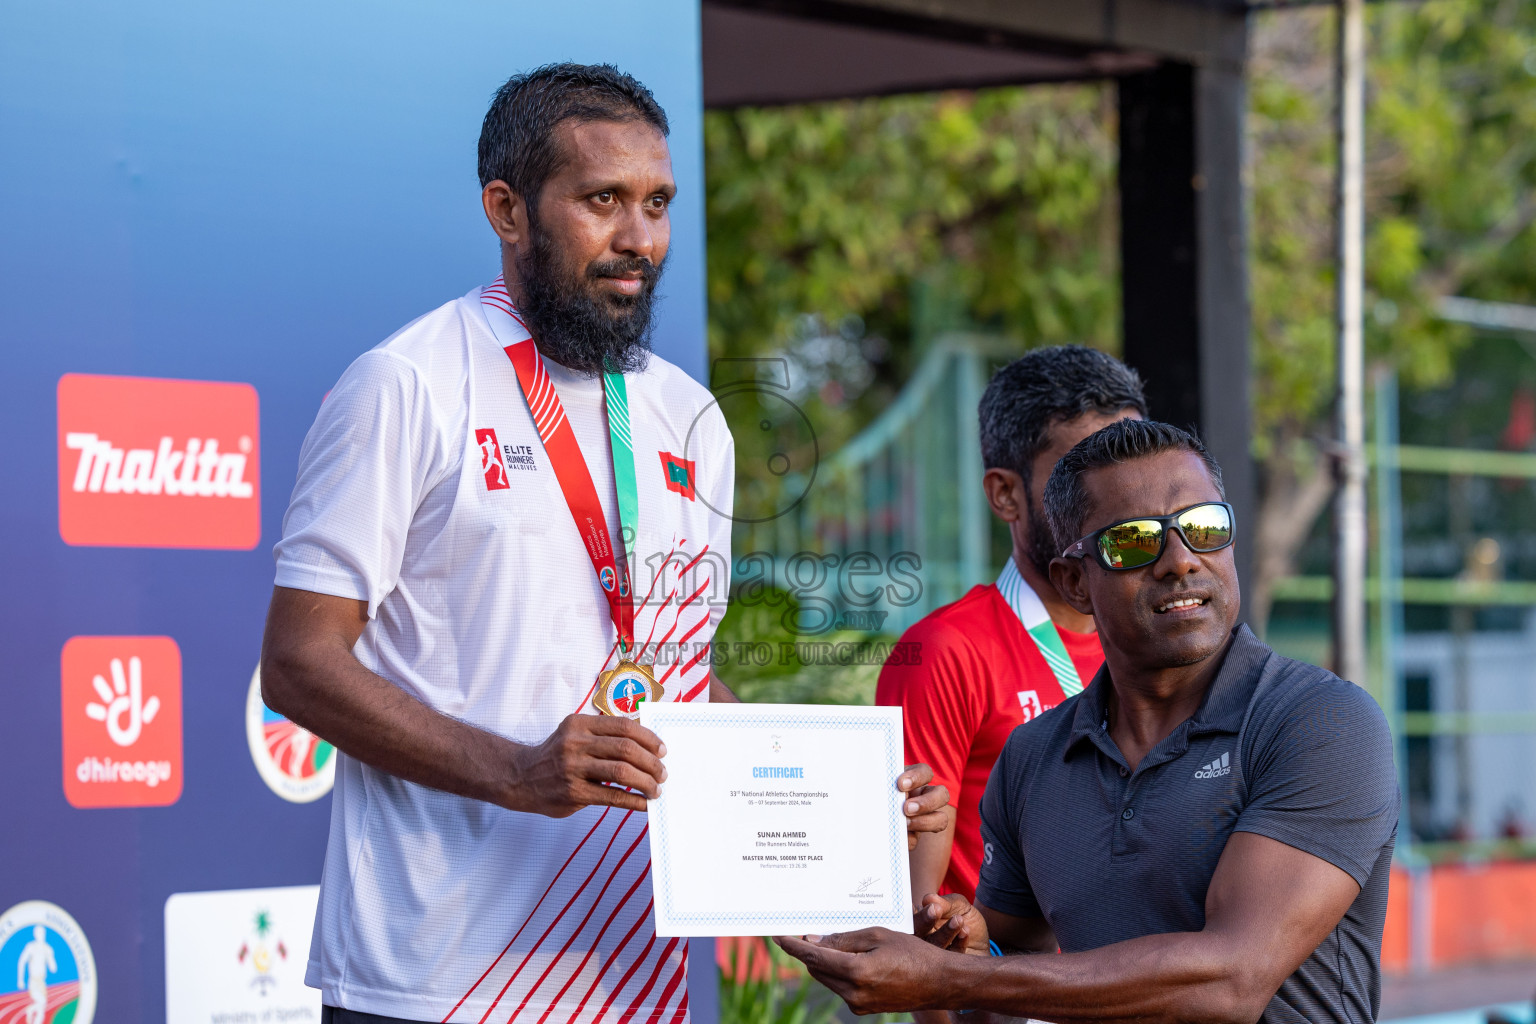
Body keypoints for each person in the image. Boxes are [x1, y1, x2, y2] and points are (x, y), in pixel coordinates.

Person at [260, 63, 948, 1024]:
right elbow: (297, 666)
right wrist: (516, 770)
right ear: (507, 210)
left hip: (631, 977)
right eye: (603, 201)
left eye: (658, 203)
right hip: (433, 982)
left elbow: (678, 680)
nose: (640, 239)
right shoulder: (407, 384)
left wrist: (837, 811)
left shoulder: (689, 416)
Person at [782, 420, 1400, 1024]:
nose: (1180, 561)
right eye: (1134, 540)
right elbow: (1001, 991)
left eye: (1204, 528)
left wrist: (953, 977)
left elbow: (1231, 978)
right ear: (1076, 581)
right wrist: (960, 956)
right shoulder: (1032, 757)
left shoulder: (1321, 722)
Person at [876, 347, 1146, 905]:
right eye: (1080, 473)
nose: (1120, 501)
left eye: (1134, 467)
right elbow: (911, 912)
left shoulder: (1165, 637)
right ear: (1006, 494)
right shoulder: (947, 651)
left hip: (1144, 981)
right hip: (1004, 986)